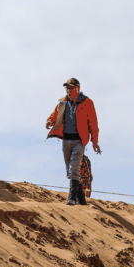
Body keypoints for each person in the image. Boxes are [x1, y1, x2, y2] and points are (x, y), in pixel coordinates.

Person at [45, 78, 101, 206]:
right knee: (70, 171)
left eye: (71, 88)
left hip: (79, 140)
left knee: (74, 169)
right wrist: (49, 121)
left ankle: (72, 199)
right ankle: (82, 200)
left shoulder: (87, 102)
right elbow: (54, 115)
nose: (68, 91)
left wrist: (95, 141)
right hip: (65, 140)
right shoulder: (63, 102)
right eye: (67, 88)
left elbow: (93, 123)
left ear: (78, 89)